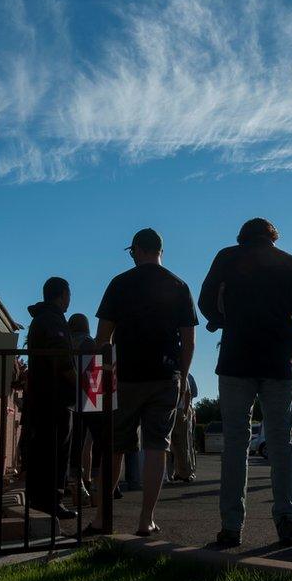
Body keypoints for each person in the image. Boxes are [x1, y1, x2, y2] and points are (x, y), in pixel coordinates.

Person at [199, 218, 292, 548]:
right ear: (273, 237)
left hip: (236, 360)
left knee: (235, 445)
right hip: (277, 363)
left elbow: (205, 301)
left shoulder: (227, 257)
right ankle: (286, 522)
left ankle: (231, 527)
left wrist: (225, 322)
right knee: (281, 445)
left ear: (242, 238)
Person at [85, 228, 198, 537]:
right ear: (160, 250)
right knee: (156, 448)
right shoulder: (179, 286)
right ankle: (145, 519)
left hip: (126, 378)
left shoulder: (120, 284)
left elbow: (101, 340)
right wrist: (183, 377)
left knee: (115, 448)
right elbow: (189, 342)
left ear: (137, 249)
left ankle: (101, 518)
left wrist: (96, 386)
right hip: (165, 377)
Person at [24, 277, 78, 520]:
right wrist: (78, 383)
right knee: (57, 450)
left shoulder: (39, 319)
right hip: (55, 397)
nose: (69, 300)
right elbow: (62, 359)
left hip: (40, 395)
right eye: (68, 294)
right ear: (62, 295)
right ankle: (52, 501)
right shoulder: (53, 320)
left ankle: (38, 499)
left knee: (42, 449)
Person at [68, 313, 96, 507]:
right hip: (88, 398)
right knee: (88, 444)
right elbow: (95, 372)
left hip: (68, 397)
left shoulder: (66, 343)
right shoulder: (90, 343)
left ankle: (74, 481)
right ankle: (86, 482)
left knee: (72, 444)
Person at [170, 372, 198, 482]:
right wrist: (186, 411)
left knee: (173, 445)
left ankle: (176, 472)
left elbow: (189, 393)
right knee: (183, 444)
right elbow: (191, 393)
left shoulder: (181, 374)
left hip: (171, 410)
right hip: (179, 410)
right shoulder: (184, 374)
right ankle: (184, 472)